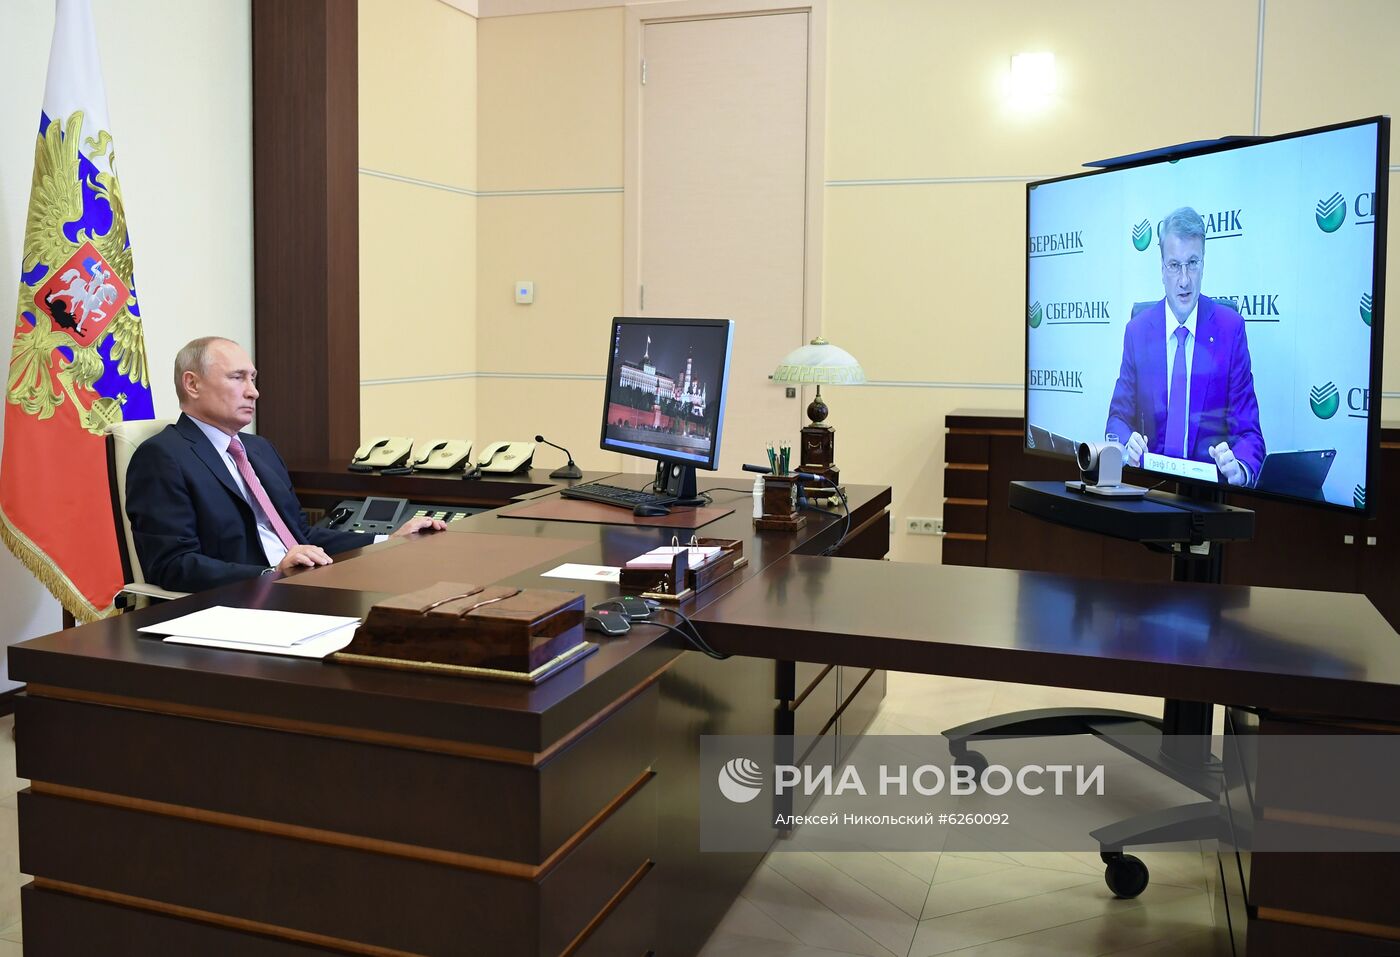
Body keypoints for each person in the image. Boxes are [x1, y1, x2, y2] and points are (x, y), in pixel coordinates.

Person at [125, 337, 446, 592]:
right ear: (192, 384)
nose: (253, 392)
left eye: (253, 379)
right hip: (239, 602)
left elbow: (299, 536)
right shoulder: (162, 457)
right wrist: (270, 573)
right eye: (237, 378)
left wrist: (388, 541)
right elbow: (172, 565)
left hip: (299, 585)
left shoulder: (259, 449)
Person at [1105, 207, 1264, 486]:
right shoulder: (1137, 332)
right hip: (1148, 489)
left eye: (1192, 263)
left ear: (1203, 264)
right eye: (1174, 265)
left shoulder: (1230, 330)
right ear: (1162, 269)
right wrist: (1127, 443)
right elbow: (1118, 417)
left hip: (1207, 495)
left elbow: (1249, 433)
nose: (1184, 279)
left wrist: (1238, 467)